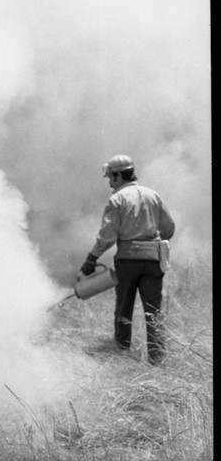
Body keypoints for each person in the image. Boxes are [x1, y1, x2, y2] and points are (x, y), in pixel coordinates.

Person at [80, 154, 175, 365]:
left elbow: (107, 236)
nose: (109, 182)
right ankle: (157, 361)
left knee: (124, 310)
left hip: (128, 263)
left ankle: (123, 357)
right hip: (153, 263)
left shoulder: (117, 199)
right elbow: (169, 228)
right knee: (154, 313)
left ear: (117, 175)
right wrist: (154, 244)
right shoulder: (153, 195)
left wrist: (91, 259)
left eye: (110, 178)